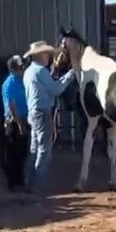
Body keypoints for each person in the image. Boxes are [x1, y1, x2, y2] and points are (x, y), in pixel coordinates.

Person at [23, 41, 74, 194]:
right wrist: (71, 74)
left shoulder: (29, 71)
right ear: (39, 55)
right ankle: (38, 185)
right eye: (46, 54)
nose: (49, 57)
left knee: (35, 148)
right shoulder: (41, 71)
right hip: (43, 111)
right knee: (45, 150)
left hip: (32, 112)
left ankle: (30, 181)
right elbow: (56, 89)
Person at [1, 55, 29, 191]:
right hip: (14, 121)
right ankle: (13, 182)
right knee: (13, 152)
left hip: (22, 118)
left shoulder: (20, 81)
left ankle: (19, 180)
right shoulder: (9, 84)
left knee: (21, 152)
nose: (23, 69)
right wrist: (19, 123)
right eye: (20, 68)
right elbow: (11, 105)